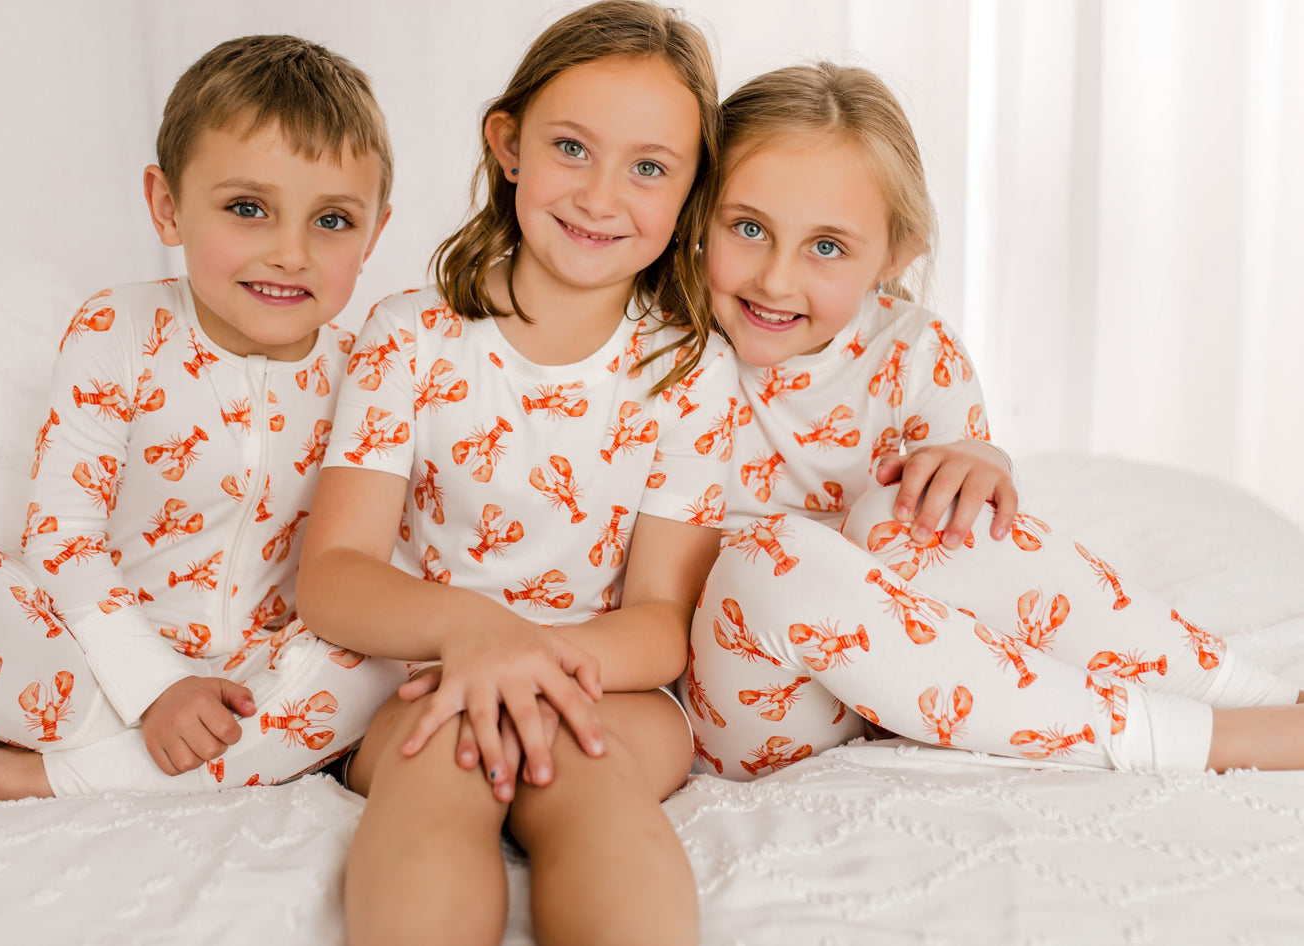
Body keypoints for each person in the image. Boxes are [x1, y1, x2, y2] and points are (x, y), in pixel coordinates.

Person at [685, 61, 1303, 782]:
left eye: (826, 247)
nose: (775, 278)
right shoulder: (664, 348)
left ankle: (1260, 700)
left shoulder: (912, 348)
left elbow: (969, 529)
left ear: (894, 256)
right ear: (698, 215)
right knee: (764, 556)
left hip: (912, 672)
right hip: (758, 699)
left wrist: (981, 460)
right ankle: (1183, 740)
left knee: (910, 506)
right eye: (748, 228)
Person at [0, 34, 404, 800]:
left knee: (385, 658)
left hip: (261, 678)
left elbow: (377, 555)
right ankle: (164, 757)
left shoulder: (371, 371)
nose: (290, 252)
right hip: (96, 656)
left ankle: (42, 780)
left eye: (333, 221)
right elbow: (63, 534)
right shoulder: (117, 330)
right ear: (166, 205)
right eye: (248, 208)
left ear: (375, 232)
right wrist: (152, 688)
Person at [293, 3, 732, 943]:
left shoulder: (689, 373)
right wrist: (476, 637)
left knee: (593, 781)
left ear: (690, 190)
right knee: (433, 772)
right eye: (571, 147)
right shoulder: (409, 337)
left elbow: (662, 621)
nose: (601, 195)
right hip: (430, 673)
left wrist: (541, 663)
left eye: (649, 167)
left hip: (604, 684)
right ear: (509, 144)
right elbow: (331, 575)